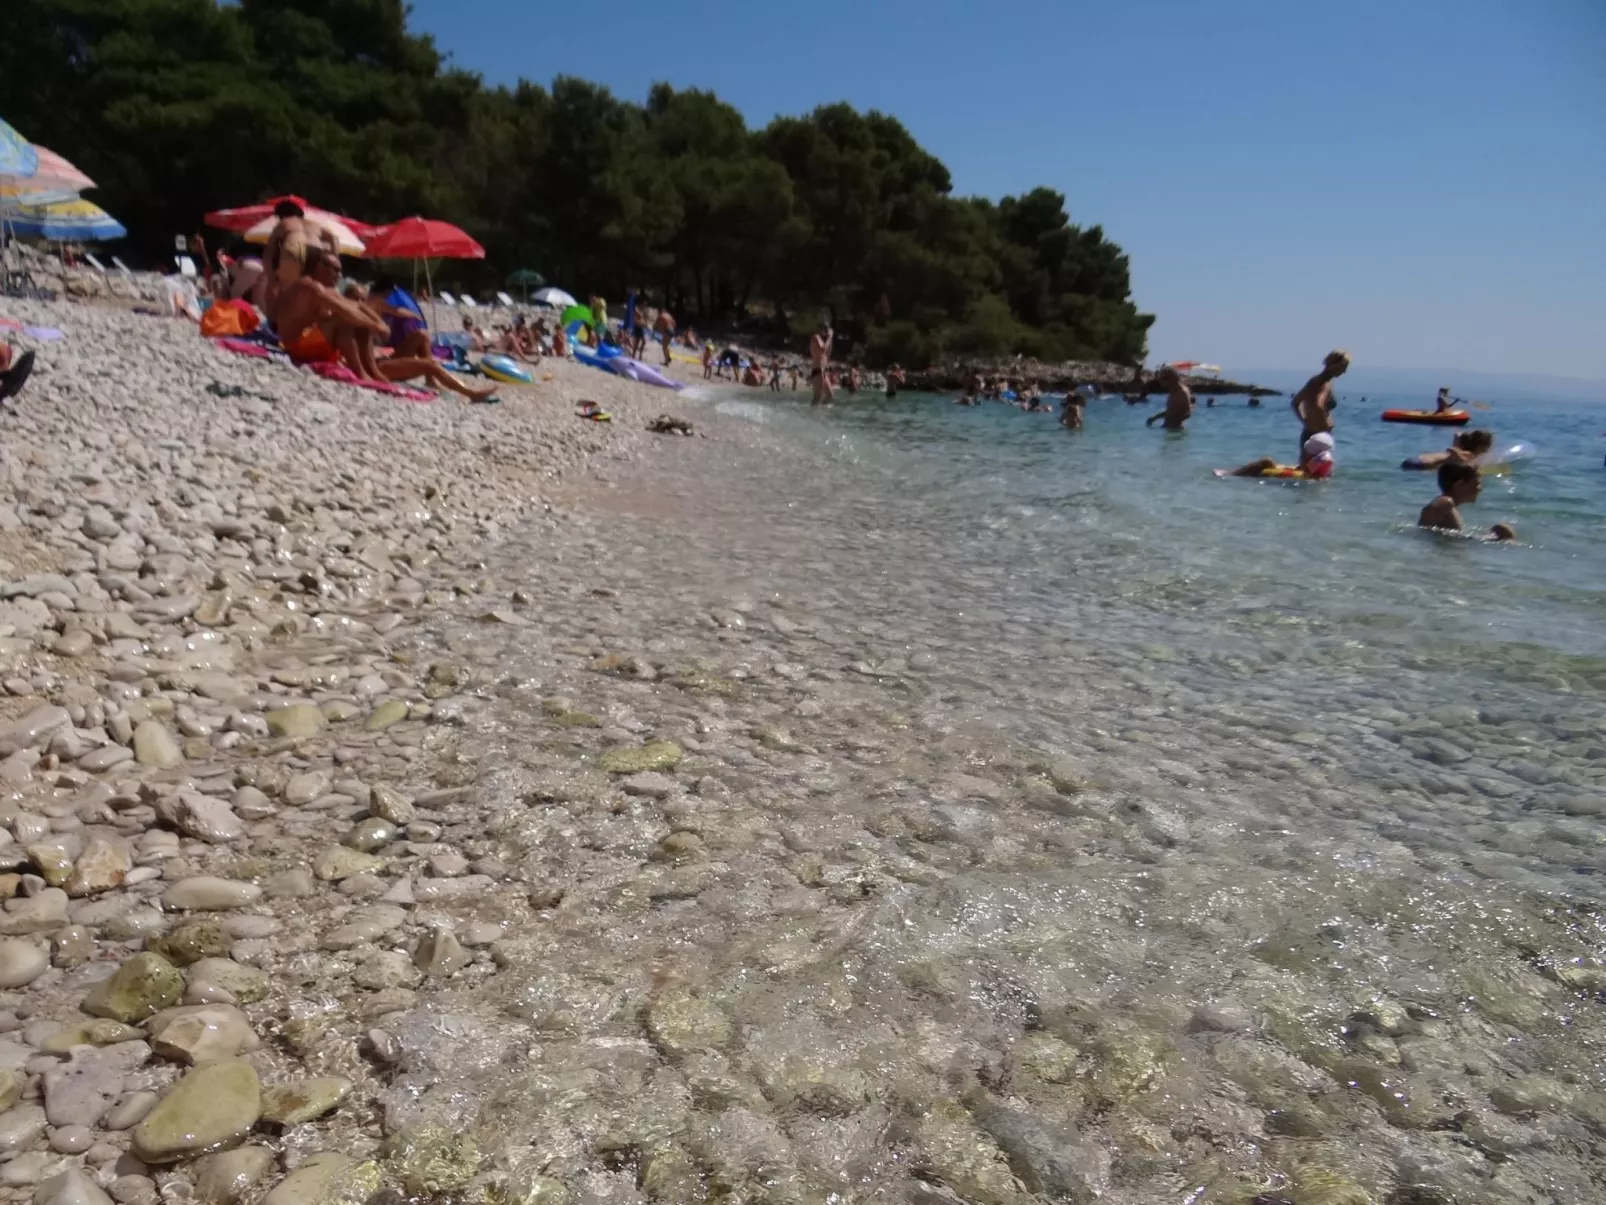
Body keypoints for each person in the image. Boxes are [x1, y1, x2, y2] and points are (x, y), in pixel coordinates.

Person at [276, 250, 497, 401]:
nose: (339, 275)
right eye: (336, 270)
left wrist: (377, 323)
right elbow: (346, 311)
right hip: (298, 346)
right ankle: (367, 373)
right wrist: (378, 325)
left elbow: (358, 309)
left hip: (360, 352)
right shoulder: (312, 287)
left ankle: (372, 372)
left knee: (420, 340)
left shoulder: (348, 297)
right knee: (346, 321)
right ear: (319, 267)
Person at [260, 200, 334, 323]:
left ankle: (274, 324)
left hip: (294, 247)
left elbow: (269, 251)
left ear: (280, 215)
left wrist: (271, 277)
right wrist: (333, 256)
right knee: (313, 291)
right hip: (317, 250)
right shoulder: (314, 224)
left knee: (284, 291)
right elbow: (333, 238)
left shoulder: (284, 223)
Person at [1418, 461, 1513, 539]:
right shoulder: (1445, 502)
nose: (1480, 488)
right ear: (1459, 485)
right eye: (1476, 484)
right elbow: (1426, 521)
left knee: (1502, 531)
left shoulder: (1449, 505)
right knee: (1503, 530)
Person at [1291, 349, 1349, 459]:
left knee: (1308, 472)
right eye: (1343, 367)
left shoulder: (1314, 380)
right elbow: (1319, 404)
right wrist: (1324, 428)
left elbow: (1295, 403)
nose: (1344, 371)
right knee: (1320, 473)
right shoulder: (1325, 383)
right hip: (1320, 437)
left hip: (1308, 433)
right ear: (1334, 364)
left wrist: (1305, 421)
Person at [1227, 431, 1336, 478]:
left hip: (1301, 476)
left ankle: (1232, 474)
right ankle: (1235, 473)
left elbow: (1307, 471)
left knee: (1266, 461)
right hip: (1303, 474)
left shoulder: (1320, 459)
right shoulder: (1327, 459)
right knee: (1267, 461)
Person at [1402, 428, 1494, 471]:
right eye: (1487, 447)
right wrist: (1461, 458)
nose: (1487, 451)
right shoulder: (1468, 455)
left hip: (1415, 460)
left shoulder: (1461, 450)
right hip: (1418, 464)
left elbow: (1457, 434)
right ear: (1480, 447)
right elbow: (1451, 449)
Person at [809, 321, 834, 406]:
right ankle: (812, 415)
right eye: (825, 330)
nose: (826, 332)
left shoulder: (822, 341)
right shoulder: (815, 337)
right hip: (817, 369)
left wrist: (830, 340)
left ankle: (819, 413)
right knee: (817, 397)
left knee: (829, 395)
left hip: (823, 371)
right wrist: (829, 337)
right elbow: (823, 349)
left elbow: (826, 354)